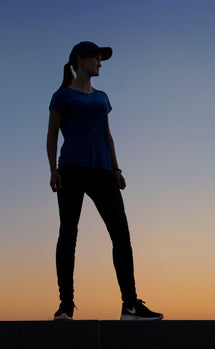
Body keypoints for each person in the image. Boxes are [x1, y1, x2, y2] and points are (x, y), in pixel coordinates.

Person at [46, 41, 163, 321]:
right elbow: (51, 135)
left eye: (101, 59)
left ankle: (131, 306)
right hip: (72, 169)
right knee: (68, 235)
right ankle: (65, 306)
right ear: (81, 60)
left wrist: (117, 169)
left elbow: (107, 135)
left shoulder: (102, 97)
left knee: (121, 235)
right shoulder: (62, 96)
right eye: (97, 58)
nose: (100, 63)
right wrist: (53, 170)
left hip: (103, 172)